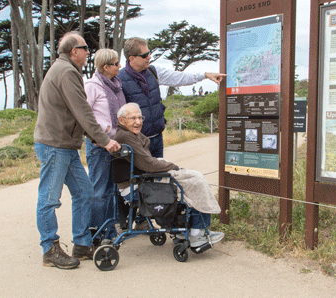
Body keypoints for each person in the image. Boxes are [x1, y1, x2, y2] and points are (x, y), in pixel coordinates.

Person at [33, 31, 121, 270]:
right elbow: (83, 111)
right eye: (85, 49)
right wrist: (104, 140)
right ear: (74, 51)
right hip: (55, 145)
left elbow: (75, 113)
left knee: (84, 192)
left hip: (65, 145)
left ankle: (82, 244)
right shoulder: (67, 71)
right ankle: (49, 249)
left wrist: (94, 137)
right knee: (49, 199)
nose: (87, 53)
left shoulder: (64, 69)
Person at [113, 103, 224, 247]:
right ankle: (197, 233)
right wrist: (173, 167)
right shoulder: (126, 136)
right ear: (122, 120)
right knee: (195, 183)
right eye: (133, 118)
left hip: (140, 180)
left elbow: (147, 162)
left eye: (140, 117)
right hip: (137, 186)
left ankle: (193, 229)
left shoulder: (128, 134)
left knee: (194, 180)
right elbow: (149, 164)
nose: (138, 122)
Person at [119, 37, 227, 158]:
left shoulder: (153, 72)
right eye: (144, 55)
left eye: (149, 53)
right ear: (131, 58)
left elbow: (179, 77)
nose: (149, 57)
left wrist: (205, 75)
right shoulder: (119, 79)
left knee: (160, 176)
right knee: (141, 177)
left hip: (157, 139)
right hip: (136, 142)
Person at [84, 49, 125, 245]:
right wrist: (105, 129)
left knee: (111, 190)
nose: (120, 66)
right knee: (99, 191)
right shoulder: (92, 86)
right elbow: (84, 115)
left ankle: (109, 231)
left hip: (115, 144)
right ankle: (96, 234)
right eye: (116, 63)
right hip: (98, 145)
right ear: (106, 67)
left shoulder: (116, 85)